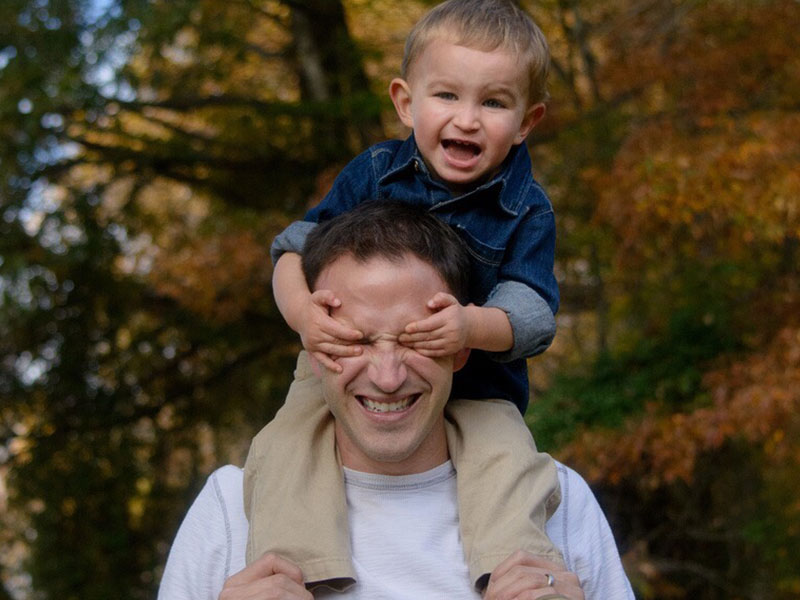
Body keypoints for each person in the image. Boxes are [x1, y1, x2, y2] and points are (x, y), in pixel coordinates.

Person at [158, 203, 635, 599]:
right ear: (315, 351)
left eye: (415, 340)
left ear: (461, 349)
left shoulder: (555, 502)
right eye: (356, 341)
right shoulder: (230, 511)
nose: (387, 377)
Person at [247, 0, 564, 591]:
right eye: (447, 95)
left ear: (527, 122)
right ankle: (293, 572)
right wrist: (303, 315)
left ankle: (517, 575)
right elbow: (292, 250)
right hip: (345, 359)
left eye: (494, 103)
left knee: (506, 460)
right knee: (287, 444)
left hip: (479, 384)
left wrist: (470, 327)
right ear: (405, 102)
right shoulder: (374, 172)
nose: (467, 119)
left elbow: (533, 313)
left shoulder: (527, 209)